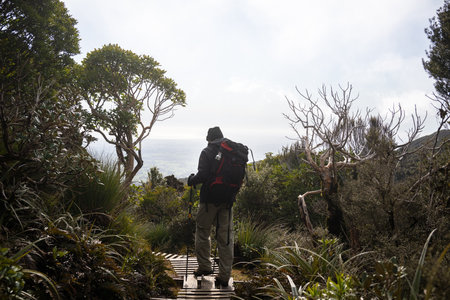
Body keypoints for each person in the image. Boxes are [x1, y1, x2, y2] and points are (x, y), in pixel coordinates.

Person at [187, 126, 233, 288]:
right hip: (227, 201)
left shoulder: (207, 152)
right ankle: (224, 275)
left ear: (209, 139)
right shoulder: (231, 152)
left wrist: (191, 180)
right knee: (225, 237)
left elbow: (203, 175)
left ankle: (205, 267)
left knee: (203, 231)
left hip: (208, 201)